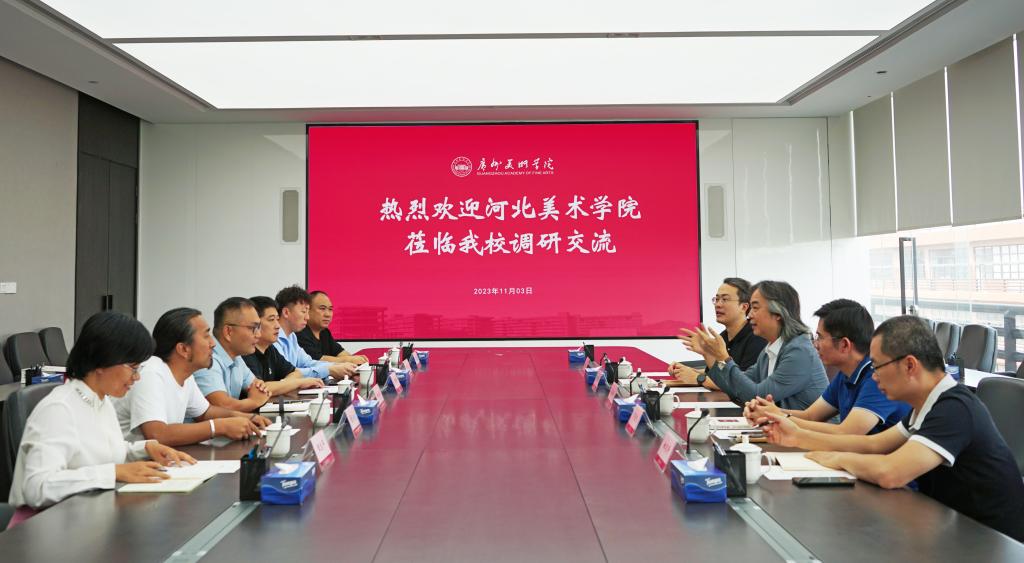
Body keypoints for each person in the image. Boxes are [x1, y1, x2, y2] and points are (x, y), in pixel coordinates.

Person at [757, 316, 1024, 541]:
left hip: (988, 541)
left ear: (909, 365)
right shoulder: (926, 405)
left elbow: (890, 472)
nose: (874, 377)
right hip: (951, 528)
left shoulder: (954, 408)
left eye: (877, 367)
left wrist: (836, 458)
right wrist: (797, 436)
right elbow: (874, 444)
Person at [9, 312, 195, 513]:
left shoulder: (101, 400)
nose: (137, 377)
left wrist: (145, 448)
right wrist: (113, 473)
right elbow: (37, 487)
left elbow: (101, 454)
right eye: (133, 368)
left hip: (87, 516)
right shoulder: (59, 409)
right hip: (46, 524)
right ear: (103, 361)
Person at [744, 299, 910, 435]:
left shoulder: (877, 378)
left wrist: (777, 416)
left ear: (844, 345)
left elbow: (847, 433)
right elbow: (811, 416)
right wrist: (771, 412)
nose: (815, 344)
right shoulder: (846, 374)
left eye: (820, 337)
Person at [114, 307, 272, 446]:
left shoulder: (185, 374)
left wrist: (247, 418)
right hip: (128, 466)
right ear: (183, 349)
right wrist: (219, 427)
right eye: (206, 336)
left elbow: (205, 412)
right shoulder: (151, 373)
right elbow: (157, 434)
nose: (213, 344)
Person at [679, 280, 827, 409]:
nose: (749, 315)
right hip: (780, 427)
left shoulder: (799, 351)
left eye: (755, 308)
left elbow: (757, 396)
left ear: (778, 313)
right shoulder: (770, 349)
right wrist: (710, 354)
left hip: (810, 431)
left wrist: (725, 358)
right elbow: (737, 385)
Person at [193, 297, 320, 412]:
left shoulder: (237, 358)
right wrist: (253, 402)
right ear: (229, 332)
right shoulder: (207, 359)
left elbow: (260, 389)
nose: (258, 334)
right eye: (253, 328)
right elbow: (224, 406)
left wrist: (254, 406)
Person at [669, 277, 766, 385]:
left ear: (744, 307)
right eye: (717, 299)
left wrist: (698, 378)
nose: (718, 304)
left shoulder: (757, 337)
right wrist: (687, 370)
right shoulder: (722, 338)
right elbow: (720, 372)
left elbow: (743, 383)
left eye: (725, 299)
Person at [243, 296, 329, 393]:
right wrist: (297, 383)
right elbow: (259, 389)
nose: (277, 326)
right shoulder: (246, 352)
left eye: (277, 319)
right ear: (255, 323)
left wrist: (286, 384)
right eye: (271, 320)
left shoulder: (270, 349)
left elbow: (294, 372)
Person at [274, 285, 356, 381]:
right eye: (303, 312)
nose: (307, 317)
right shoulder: (273, 339)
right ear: (286, 312)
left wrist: (339, 367)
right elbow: (288, 373)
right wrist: (329, 370)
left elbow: (307, 363)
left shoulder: (292, 336)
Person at [297, 290, 368, 364]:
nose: (328, 314)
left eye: (330, 309)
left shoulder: (325, 332)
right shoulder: (300, 332)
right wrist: (349, 360)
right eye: (322, 308)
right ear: (308, 310)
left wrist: (355, 359)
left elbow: (340, 352)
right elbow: (317, 360)